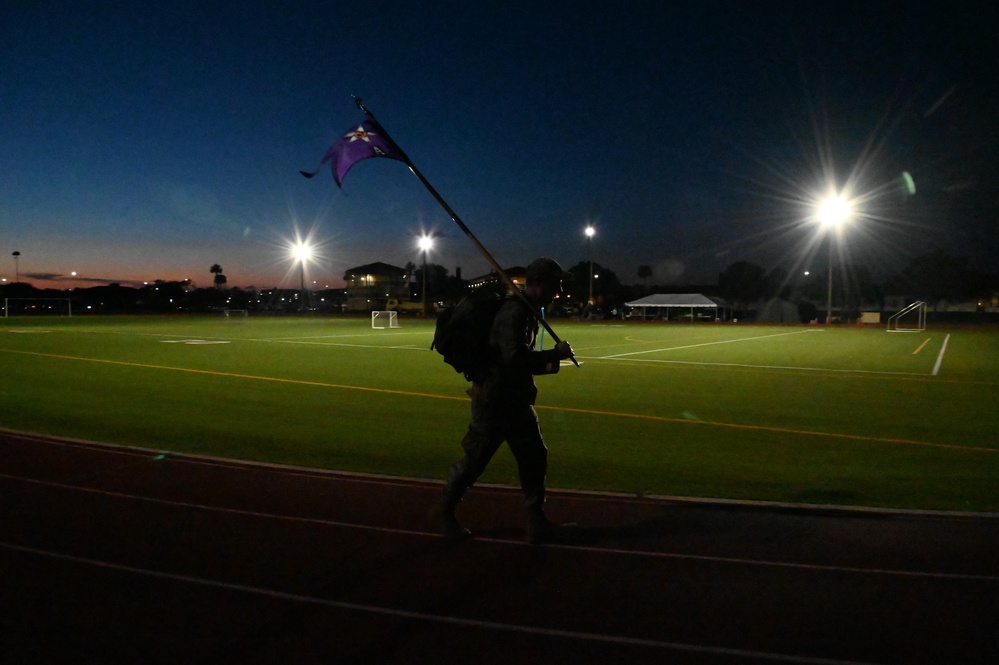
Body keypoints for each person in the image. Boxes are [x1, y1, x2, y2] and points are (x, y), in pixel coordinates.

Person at [430, 257, 575, 544]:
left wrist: (549, 362)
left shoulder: (528, 310)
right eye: (555, 284)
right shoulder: (514, 313)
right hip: (495, 402)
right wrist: (553, 357)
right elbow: (515, 359)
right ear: (539, 285)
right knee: (475, 461)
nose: (558, 291)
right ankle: (443, 511)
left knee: (535, 456)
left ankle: (536, 521)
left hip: (515, 401)